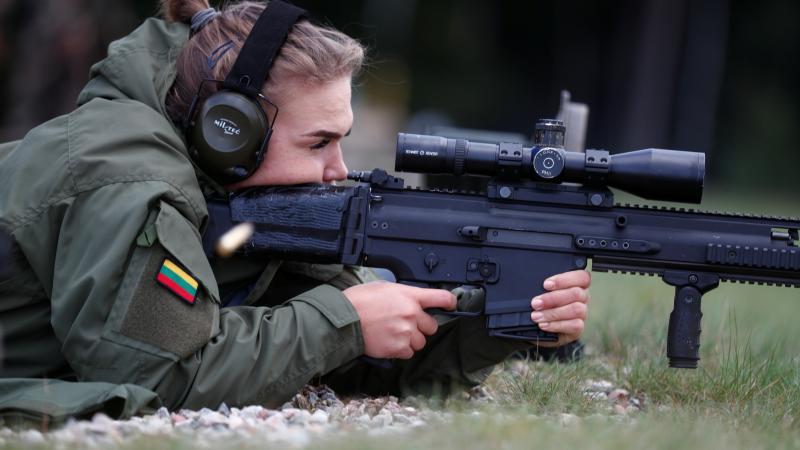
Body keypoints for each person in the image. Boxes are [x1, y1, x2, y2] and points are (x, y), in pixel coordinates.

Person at [0, 0, 590, 417]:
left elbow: (348, 359)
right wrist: (342, 319)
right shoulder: (129, 174)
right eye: (318, 143)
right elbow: (159, 376)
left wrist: (505, 318)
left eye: (342, 140)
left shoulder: (240, 199)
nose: (337, 171)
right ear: (228, 131)